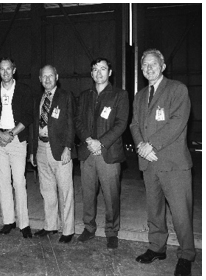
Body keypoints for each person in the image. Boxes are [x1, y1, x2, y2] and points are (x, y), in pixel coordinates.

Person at [128, 49, 194, 276]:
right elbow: (134, 125)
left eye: (153, 64)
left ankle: (186, 254)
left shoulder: (177, 89)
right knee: (154, 210)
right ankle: (157, 248)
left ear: (163, 66)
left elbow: (177, 122)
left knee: (180, 213)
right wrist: (141, 147)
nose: (148, 68)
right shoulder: (139, 96)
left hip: (173, 163)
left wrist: (151, 145)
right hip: (149, 163)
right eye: (145, 65)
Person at [75, 58, 128, 249]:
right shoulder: (84, 96)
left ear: (110, 72)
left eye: (103, 69)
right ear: (91, 74)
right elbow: (78, 121)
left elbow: (121, 123)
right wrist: (89, 141)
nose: (99, 73)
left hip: (108, 154)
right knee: (88, 193)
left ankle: (112, 231)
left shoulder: (119, 95)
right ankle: (89, 228)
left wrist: (101, 142)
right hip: (88, 153)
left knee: (111, 195)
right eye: (95, 70)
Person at [0, 58, 37, 238]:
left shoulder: (24, 90)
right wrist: (0, 133)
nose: (6, 72)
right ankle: (8, 221)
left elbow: (28, 116)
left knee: (19, 182)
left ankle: (24, 223)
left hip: (17, 140)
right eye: (2, 69)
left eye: (9, 69)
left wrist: (11, 134)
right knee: (3, 182)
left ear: (14, 70)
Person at [28, 65, 76, 243]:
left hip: (60, 149)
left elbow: (71, 123)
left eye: (50, 76)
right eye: (44, 77)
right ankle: (50, 225)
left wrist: (68, 147)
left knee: (65, 190)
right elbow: (34, 125)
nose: (47, 80)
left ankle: (68, 230)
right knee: (46, 190)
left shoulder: (65, 96)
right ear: (40, 79)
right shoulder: (38, 98)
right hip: (41, 147)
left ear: (57, 77)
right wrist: (33, 151)